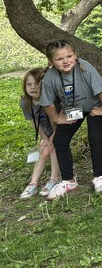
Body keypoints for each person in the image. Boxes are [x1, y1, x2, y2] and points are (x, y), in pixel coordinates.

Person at [39, 40, 102, 199]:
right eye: (59, 59)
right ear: (50, 61)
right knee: (59, 141)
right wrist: (57, 118)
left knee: (95, 137)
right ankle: (68, 180)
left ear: (75, 55)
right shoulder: (50, 77)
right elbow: (47, 103)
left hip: (94, 106)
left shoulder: (84, 67)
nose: (65, 61)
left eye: (69, 56)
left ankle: (98, 176)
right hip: (74, 110)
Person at [19, 68, 60, 199]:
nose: (33, 87)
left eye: (37, 84)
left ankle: (54, 179)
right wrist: (44, 138)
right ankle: (33, 183)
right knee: (44, 151)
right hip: (46, 131)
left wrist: (53, 136)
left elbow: (54, 119)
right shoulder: (25, 102)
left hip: (59, 128)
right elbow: (34, 122)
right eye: (29, 84)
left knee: (53, 147)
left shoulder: (49, 97)